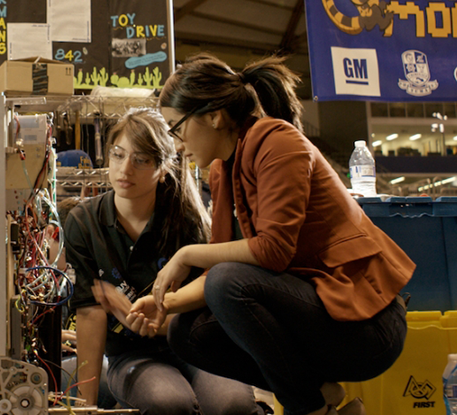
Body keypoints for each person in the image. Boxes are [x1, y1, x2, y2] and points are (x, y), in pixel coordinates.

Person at [125, 54, 414, 415]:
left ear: (214, 116)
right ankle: (318, 397)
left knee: (227, 284)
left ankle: (307, 409)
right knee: (186, 332)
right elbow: (224, 268)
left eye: (177, 128)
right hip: (319, 318)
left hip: (367, 328)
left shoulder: (278, 143)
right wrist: (164, 304)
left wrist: (186, 255)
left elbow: (272, 252)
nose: (178, 145)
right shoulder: (222, 171)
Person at [65, 108, 259, 414]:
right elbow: (90, 317)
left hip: (195, 344)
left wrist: (156, 325)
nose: (124, 169)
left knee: (232, 405)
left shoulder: (188, 221)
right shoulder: (84, 222)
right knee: (169, 403)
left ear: (163, 168)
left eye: (141, 159)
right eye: (118, 154)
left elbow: (210, 304)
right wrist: (85, 407)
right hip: (131, 357)